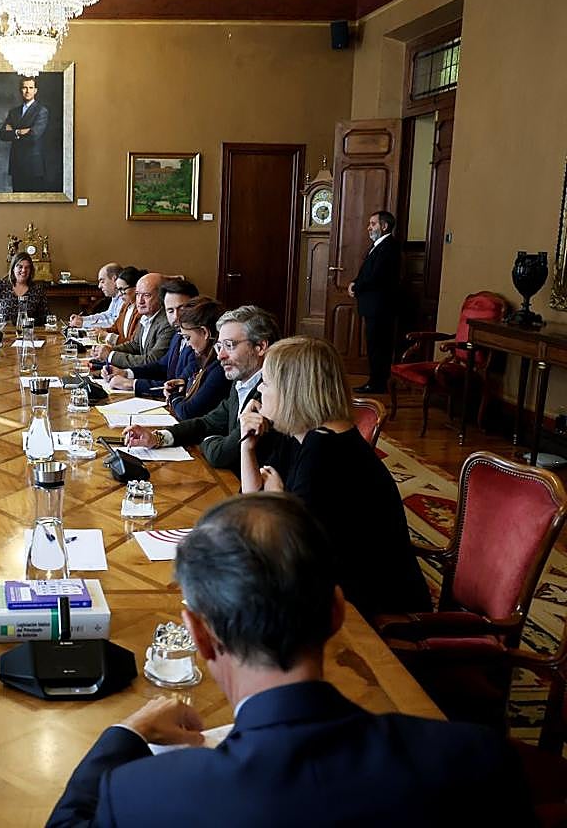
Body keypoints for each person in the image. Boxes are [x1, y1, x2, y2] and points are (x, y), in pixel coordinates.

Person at [48, 493, 532, 826]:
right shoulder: (477, 761)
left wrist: (124, 734)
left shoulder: (139, 795)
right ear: (337, 611)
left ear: (199, 635)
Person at [239, 335, 432, 620]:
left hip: (371, 605)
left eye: (266, 382)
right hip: (331, 583)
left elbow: (294, 552)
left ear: (293, 389)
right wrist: (247, 447)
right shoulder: (301, 434)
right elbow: (250, 506)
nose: (259, 391)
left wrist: (279, 501)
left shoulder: (326, 451)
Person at [123, 305, 281, 472]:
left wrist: (207, 440)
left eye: (229, 345)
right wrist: (157, 437)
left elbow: (221, 455)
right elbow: (207, 423)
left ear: (260, 347)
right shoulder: (241, 382)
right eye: (219, 346)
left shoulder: (268, 393)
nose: (220, 355)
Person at [106, 277, 199, 396]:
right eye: (170, 311)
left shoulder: (198, 343)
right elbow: (161, 366)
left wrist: (132, 384)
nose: (176, 317)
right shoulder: (178, 335)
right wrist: (126, 373)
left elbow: (181, 387)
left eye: (181, 309)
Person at [348, 210, 401, 393]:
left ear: (384, 226)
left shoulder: (389, 247)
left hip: (380, 307)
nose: (369, 228)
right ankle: (375, 381)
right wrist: (355, 282)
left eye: (373, 224)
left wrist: (356, 287)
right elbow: (366, 272)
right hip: (373, 306)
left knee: (379, 347)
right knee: (374, 345)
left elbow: (376, 276)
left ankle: (377, 383)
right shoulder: (377, 246)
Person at [161, 297, 227, 420]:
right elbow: (184, 377)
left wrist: (173, 395)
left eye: (187, 338)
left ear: (205, 332)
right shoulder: (200, 356)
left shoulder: (220, 367)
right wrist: (178, 385)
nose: (188, 344)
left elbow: (187, 412)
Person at [92, 272, 171, 368]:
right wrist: (109, 350)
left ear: (162, 297)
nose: (140, 301)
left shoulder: (167, 324)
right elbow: (135, 345)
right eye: (137, 294)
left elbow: (152, 361)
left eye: (146, 295)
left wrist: (111, 355)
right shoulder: (145, 316)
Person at [0, 75, 50, 192]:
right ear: (20, 90)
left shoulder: (41, 111)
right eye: (24, 87)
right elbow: (2, 134)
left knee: (34, 201)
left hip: (33, 166)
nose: (27, 91)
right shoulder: (14, 112)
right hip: (17, 165)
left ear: (35, 90)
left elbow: (34, 136)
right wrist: (20, 131)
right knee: (17, 201)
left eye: (31, 88)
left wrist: (13, 132)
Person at [0, 252, 49, 325]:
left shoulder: (37, 290)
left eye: (27, 267)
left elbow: (44, 317)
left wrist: (27, 322)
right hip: (3, 331)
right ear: (13, 268)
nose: (24, 270)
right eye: (20, 267)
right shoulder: (0, 285)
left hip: (28, 331)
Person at [97, 267, 144, 346]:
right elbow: (116, 328)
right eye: (118, 290)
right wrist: (101, 331)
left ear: (136, 288)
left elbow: (134, 344)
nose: (119, 294)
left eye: (122, 290)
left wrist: (108, 336)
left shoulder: (142, 311)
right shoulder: (125, 306)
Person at [69, 263, 123, 329]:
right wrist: (83, 319)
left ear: (114, 279)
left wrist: (83, 323)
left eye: (102, 281)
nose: (99, 286)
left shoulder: (125, 298)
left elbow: (115, 323)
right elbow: (107, 315)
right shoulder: (115, 296)